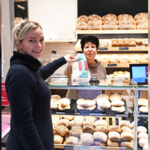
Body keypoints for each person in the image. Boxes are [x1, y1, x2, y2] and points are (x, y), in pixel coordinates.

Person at [5, 21, 76, 150]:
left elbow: (39, 75)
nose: (39, 45)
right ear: (19, 43)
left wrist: (63, 60)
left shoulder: (28, 68)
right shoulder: (19, 73)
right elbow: (23, 124)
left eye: (41, 39)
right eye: (32, 40)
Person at [64, 35, 106, 99]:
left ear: (97, 50)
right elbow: (67, 74)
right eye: (86, 47)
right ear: (83, 51)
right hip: (74, 103)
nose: (90, 50)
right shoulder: (75, 65)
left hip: (94, 103)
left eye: (93, 47)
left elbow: (103, 88)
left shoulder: (101, 67)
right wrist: (73, 61)